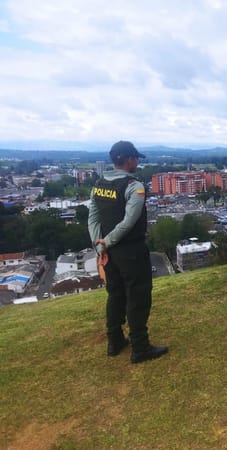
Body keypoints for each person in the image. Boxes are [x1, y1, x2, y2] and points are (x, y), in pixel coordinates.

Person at [88, 141, 168, 364]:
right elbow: (128, 222)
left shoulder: (99, 184)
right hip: (130, 250)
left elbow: (93, 219)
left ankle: (114, 342)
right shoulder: (135, 186)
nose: (137, 162)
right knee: (138, 297)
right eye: (136, 159)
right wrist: (108, 242)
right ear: (130, 159)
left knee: (115, 295)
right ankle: (140, 347)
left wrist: (100, 246)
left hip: (108, 254)